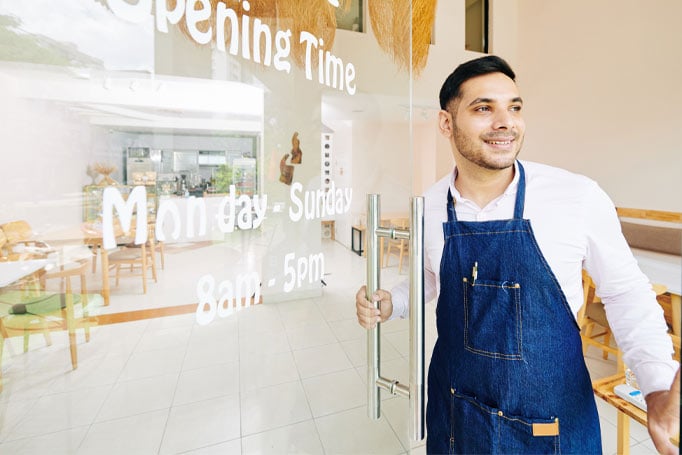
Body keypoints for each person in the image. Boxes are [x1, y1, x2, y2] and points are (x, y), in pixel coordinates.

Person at [355, 55, 680, 454]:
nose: (505, 121)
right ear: (446, 123)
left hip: (550, 426)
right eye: (483, 108)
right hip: (457, 416)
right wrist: (395, 301)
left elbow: (626, 293)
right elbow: (430, 275)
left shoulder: (576, 197)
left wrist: (657, 385)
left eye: (514, 107)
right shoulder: (430, 204)